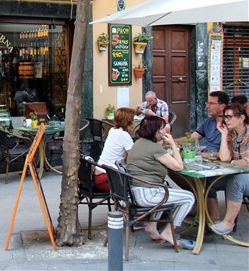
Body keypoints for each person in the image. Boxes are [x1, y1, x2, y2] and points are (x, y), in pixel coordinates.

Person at [127, 115, 196, 250]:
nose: (165, 131)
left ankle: (152, 226)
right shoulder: (154, 148)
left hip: (135, 192)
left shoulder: (139, 143)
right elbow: (178, 166)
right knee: (189, 197)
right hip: (147, 194)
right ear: (155, 130)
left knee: (165, 190)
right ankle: (169, 232)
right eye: (162, 129)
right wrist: (173, 144)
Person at [210, 103, 249, 235]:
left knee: (236, 181)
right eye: (225, 117)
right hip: (239, 173)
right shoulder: (231, 134)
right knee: (210, 182)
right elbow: (225, 158)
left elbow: (246, 162)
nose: (226, 120)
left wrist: (233, 162)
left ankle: (228, 223)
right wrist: (223, 134)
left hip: (243, 177)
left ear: (241, 118)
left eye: (229, 117)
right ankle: (214, 219)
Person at [94, 107, 136, 191]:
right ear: (128, 121)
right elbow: (134, 157)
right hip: (108, 179)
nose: (134, 122)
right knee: (138, 184)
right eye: (132, 119)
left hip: (100, 175)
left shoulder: (113, 130)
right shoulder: (124, 135)